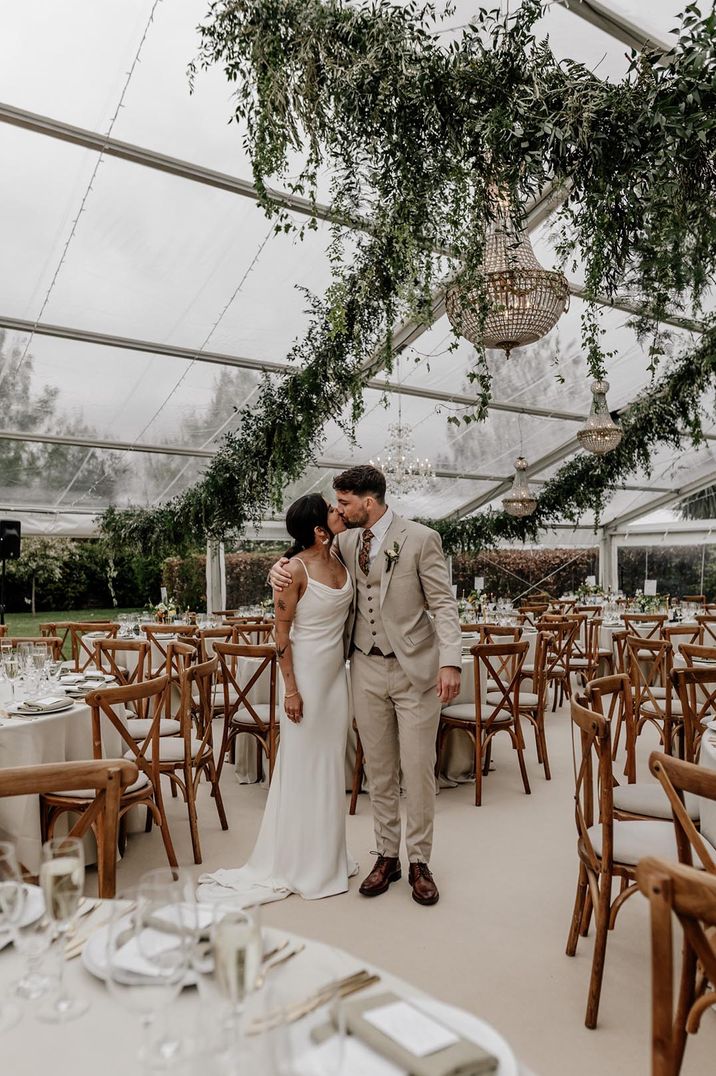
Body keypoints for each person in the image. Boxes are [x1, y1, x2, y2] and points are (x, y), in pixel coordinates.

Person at [270, 464, 461, 906]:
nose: (339, 510)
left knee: (417, 770)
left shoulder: (421, 538)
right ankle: (386, 856)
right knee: (379, 770)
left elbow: (444, 606)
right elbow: (302, 553)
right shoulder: (346, 539)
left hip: (414, 668)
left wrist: (450, 662)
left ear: (367, 502)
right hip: (363, 668)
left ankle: (419, 862)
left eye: (344, 503)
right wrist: (277, 569)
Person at [197, 494, 358, 904]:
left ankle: (328, 857)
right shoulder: (293, 572)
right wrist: (290, 690)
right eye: (333, 511)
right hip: (302, 681)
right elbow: (280, 636)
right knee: (302, 768)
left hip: (335, 682)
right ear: (319, 530)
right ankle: (299, 862)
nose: (341, 512)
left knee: (329, 768)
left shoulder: (342, 555)